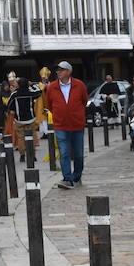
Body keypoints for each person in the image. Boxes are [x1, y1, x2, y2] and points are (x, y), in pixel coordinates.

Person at [45, 61, 89, 189]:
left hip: (77, 124)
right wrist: (60, 115)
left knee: (78, 154)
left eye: (61, 70)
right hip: (60, 125)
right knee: (64, 152)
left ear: (69, 72)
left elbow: (84, 101)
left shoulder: (79, 85)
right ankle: (67, 178)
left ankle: (77, 176)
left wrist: (75, 113)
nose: (58, 72)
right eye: (57, 70)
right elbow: (49, 104)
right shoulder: (52, 87)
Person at [5, 72, 42, 157]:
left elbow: (9, 105)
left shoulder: (15, 94)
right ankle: (32, 155)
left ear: (18, 85)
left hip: (19, 120)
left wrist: (12, 110)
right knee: (31, 137)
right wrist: (32, 85)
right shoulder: (30, 93)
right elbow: (39, 92)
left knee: (21, 138)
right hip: (31, 118)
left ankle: (22, 154)